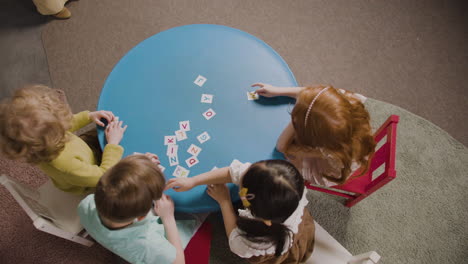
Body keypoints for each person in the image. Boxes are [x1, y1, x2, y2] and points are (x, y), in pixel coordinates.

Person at [166, 159, 315, 264]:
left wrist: (224, 201)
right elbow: (233, 172)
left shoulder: (248, 243)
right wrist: (193, 181)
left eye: (242, 185)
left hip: (275, 250)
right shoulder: (289, 189)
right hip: (299, 224)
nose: (240, 176)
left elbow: (233, 236)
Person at [0, 85, 126, 194]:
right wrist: (112, 145)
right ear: (54, 135)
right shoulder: (66, 165)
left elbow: (65, 125)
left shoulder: (40, 144)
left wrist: (88, 116)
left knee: (107, 130)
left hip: (83, 153)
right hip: (91, 179)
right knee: (130, 169)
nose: (65, 122)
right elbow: (102, 176)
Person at [78, 154, 199, 264]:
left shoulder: (85, 203)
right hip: (143, 251)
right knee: (195, 215)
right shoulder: (150, 245)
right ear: (142, 217)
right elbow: (179, 262)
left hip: (110, 239)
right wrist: (168, 218)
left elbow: (117, 184)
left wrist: (137, 167)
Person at [253, 83, 376, 186]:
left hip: (329, 166)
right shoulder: (345, 101)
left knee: (286, 160)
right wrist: (279, 91)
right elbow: (315, 96)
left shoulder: (329, 150)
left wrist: (296, 119)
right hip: (351, 143)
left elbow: (282, 146)